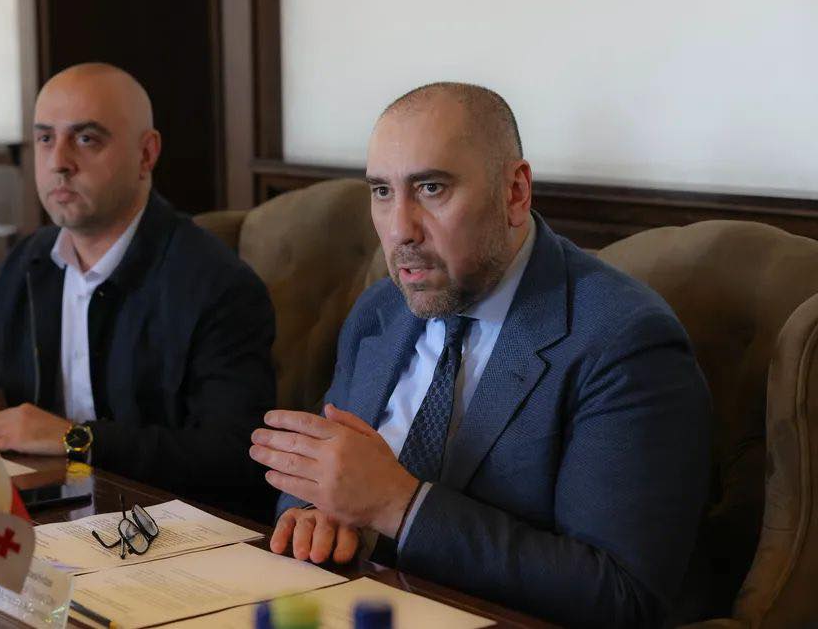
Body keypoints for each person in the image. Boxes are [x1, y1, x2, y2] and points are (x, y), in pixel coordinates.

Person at [249, 83, 711, 626]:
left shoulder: (623, 341)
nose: (399, 229)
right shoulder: (381, 310)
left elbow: (622, 595)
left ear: (514, 193)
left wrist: (398, 505)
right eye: (381, 191)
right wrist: (313, 514)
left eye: (431, 188)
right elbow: (329, 473)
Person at [0, 63, 276, 518]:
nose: (58, 161)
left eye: (86, 139)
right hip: (50, 514)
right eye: (45, 139)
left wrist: (76, 439)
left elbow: (234, 456)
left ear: (146, 154)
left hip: (165, 529)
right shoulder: (30, 263)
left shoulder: (218, 285)